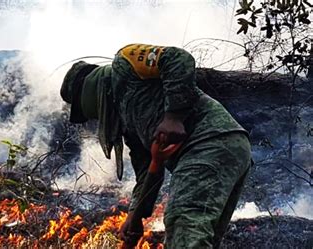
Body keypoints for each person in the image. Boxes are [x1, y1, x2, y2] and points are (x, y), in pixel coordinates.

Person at [59, 44, 252, 249]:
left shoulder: (125, 62)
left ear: (87, 92)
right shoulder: (129, 125)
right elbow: (148, 172)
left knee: (183, 222)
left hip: (209, 141)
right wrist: (135, 215)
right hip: (228, 147)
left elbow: (178, 58)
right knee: (199, 238)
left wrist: (173, 117)